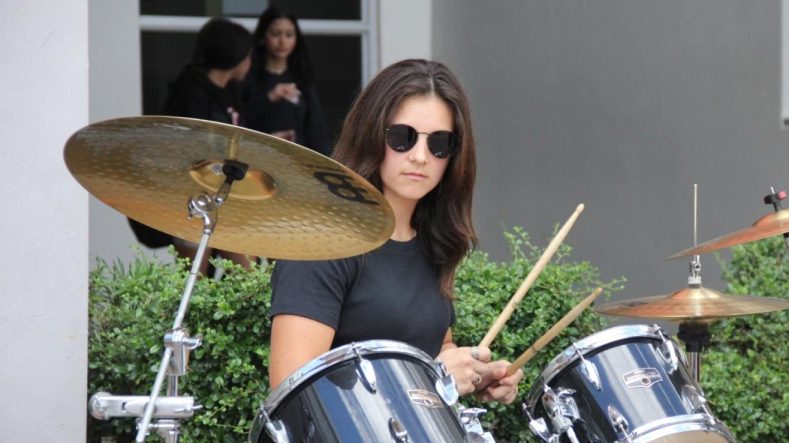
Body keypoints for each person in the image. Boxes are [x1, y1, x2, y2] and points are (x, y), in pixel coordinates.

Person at [268, 59, 523, 403]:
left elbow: (435, 345)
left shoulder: (434, 242)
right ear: (370, 134)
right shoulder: (324, 242)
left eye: (439, 144)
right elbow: (292, 390)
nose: (420, 156)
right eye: (402, 138)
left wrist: (471, 375)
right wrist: (435, 378)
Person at [128, 17, 254, 272]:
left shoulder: (230, 90)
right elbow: (185, 145)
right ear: (236, 54)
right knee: (195, 271)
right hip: (193, 191)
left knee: (241, 267)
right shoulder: (191, 91)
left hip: (222, 191)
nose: (251, 61)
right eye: (248, 53)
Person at [243, 6, 332, 154]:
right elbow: (238, 120)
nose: (282, 41)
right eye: (275, 34)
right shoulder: (248, 76)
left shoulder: (302, 77)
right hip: (256, 157)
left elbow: (316, 128)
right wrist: (269, 97)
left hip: (295, 159)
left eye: (289, 35)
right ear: (262, 37)